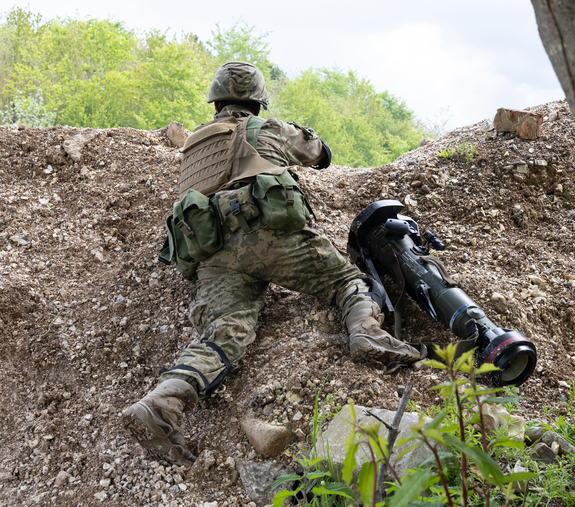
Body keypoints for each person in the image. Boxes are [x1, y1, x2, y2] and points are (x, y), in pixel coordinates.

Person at [122, 62, 423, 466]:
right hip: (270, 238)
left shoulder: (193, 147)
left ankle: (162, 400)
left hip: (213, 256)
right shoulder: (269, 129)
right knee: (347, 280)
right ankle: (366, 333)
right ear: (258, 102)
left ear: (215, 102)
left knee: (224, 333)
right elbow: (321, 156)